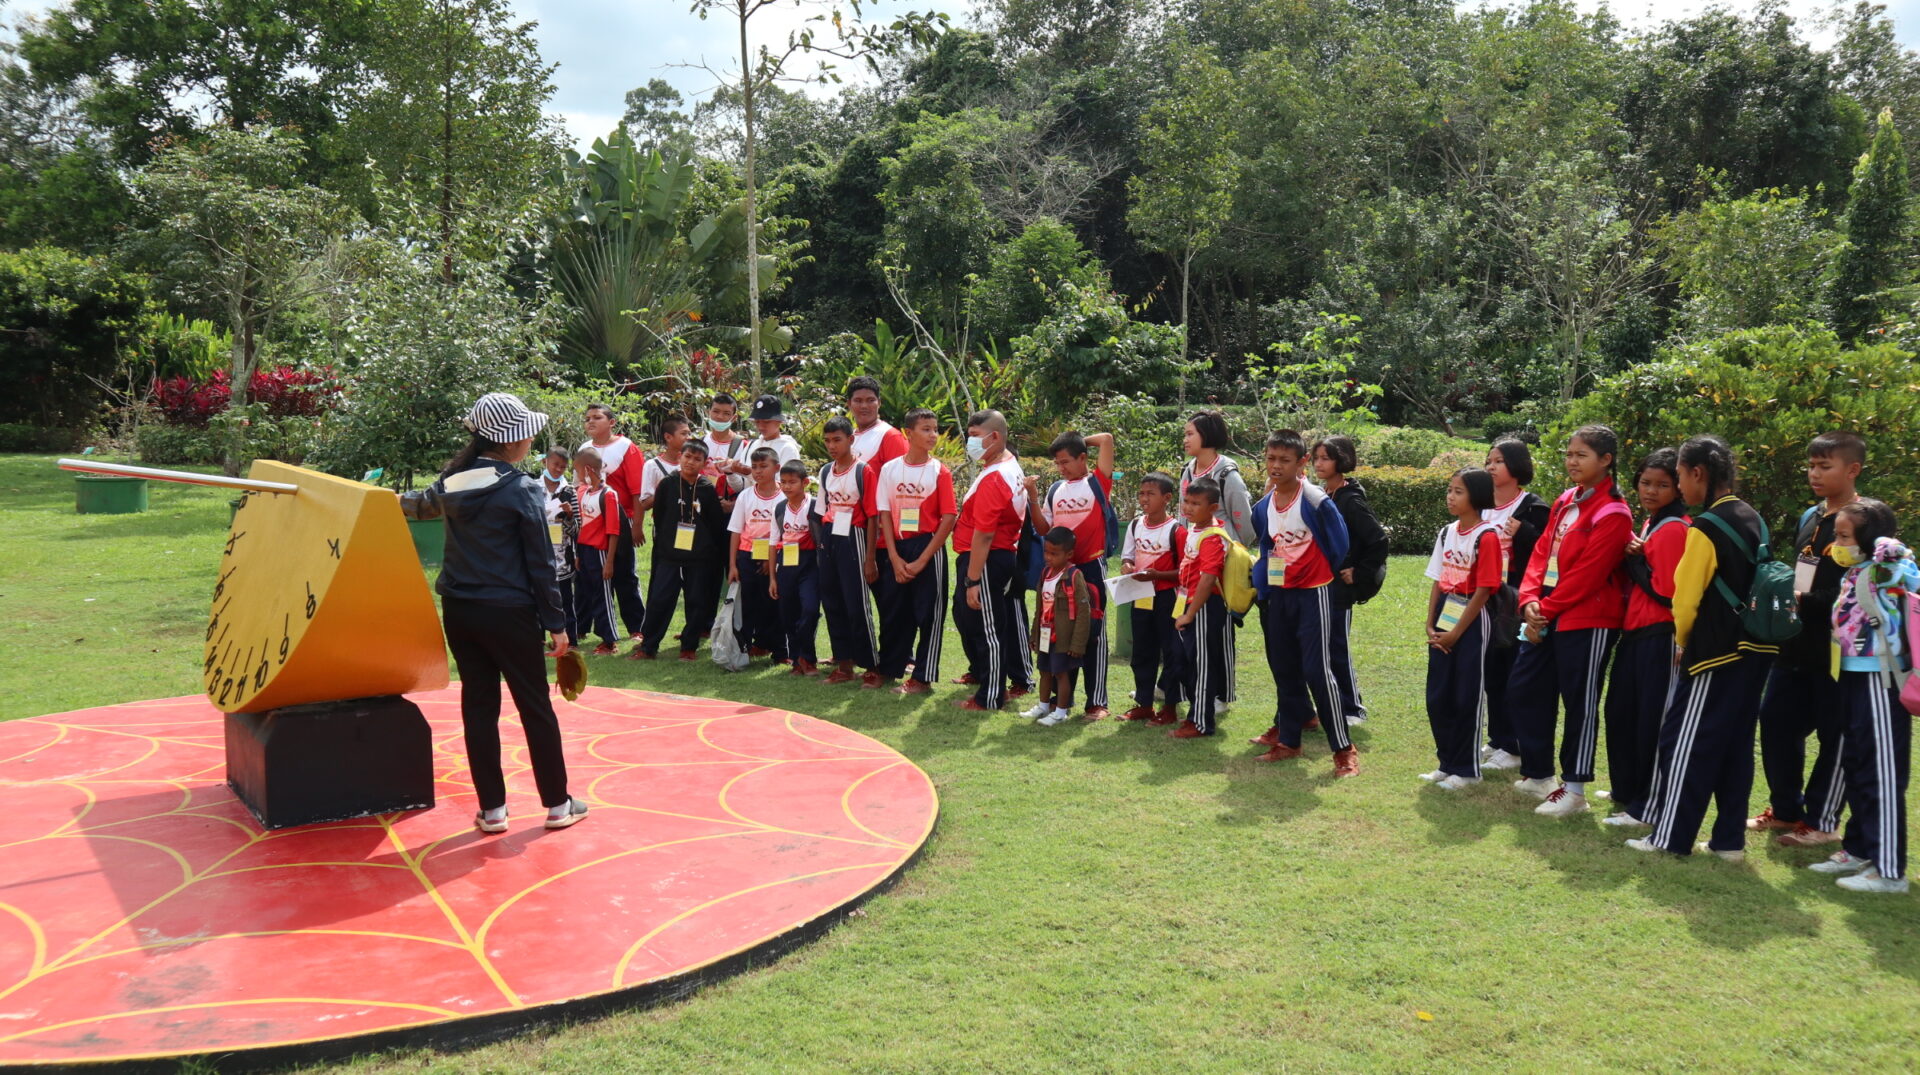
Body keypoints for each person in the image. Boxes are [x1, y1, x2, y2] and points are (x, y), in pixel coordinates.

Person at [398, 392, 587, 834]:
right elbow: (541, 565)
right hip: (510, 614)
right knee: (534, 706)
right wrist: (557, 626)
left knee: (478, 707)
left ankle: (493, 809)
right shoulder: (521, 489)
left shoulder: (450, 482)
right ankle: (558, 805)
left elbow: (413, 503)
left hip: (461, 611)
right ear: (512, 439)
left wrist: (371, 495)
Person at [1629, 435, 1779, 860]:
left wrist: (1681, 643)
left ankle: (1669, 839)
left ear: (1697, 474)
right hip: (1757, 650)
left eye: (1678, 475)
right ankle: (1728, 841)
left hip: (1714, 654)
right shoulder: (1753, 517)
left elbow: (1685, 598)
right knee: (1734, 745)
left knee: (1683, 742)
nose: (1679, 485)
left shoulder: (1706, 526)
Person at [1750, 432, 1868, 846]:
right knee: (1776, 723)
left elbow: (1868, 586)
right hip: (1794, 641)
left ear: (1852, 470)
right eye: (1812, 466)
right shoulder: (1809, 516)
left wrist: (1807, 601)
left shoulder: (1868, 519)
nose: (1814, 474)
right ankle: (1785, 811)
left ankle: (1822, 822)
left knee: (1835, 737)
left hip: (1840, 651)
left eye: (1825, 467)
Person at [1509, 425, 1632, 817]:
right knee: (1525, 686)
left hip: (1589, 618)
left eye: (1582, 455)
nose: (1572, 461)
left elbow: (1589, 574)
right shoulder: (1566, 499)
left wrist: (1545, 608)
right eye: (1569, 454)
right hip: (1548, 608)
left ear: (1606, 460)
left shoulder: (1614, 512)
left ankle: (1575, 789)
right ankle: (1539, 772)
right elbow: (1543, 551)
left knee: (1579, 701)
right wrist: (1528, 598)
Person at [1806, 500, 1916, 892]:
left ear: (1872, 540)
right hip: (1851, 676)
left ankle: (1889, 871)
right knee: (1856, 763)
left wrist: (1893, 550)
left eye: (1844, 536)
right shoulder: (1857, 571)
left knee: (1880, 772)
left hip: (1881, 680)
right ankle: (1859, 849)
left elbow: (1907, 574)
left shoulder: (1890, 569)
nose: (1837, 543)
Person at [1249, 430, 1357, 778]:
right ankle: (1289, 741)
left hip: (1315, 593)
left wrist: (1317, 572)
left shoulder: (1314, 501)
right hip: (1280, 595)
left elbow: (1338, 545)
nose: (1276, 466)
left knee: (1317, 670)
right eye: (1271, 459)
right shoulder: (1264, 506)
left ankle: (1343, 749)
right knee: (1284, 668)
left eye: (1284, 460)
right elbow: (1268, 545)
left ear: (1302, 463)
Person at [1601, 449, 1687, 830]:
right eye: (1645, 483)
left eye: (1662, 485)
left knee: (1650, 721)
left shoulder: (1672, 527)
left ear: (1679, 487)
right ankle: (1626, 791)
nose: (1650, 491)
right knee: (1621, 713)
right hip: (1635, 633)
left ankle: (1647, 805)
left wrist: (1635, 560)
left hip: (1659, 635)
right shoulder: (1653, 522)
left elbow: (1666, 592)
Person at [1420, 467, 1503, 790]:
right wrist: (1430, 622)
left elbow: (1484, 590)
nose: (1450, 497)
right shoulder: (1446, 532)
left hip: (1472, 616)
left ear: (1477, 497)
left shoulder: (1487, 536)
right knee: (1438, 694)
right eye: (1450, 490)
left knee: (1465, 693)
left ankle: (1466, 769)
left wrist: (1456, 632)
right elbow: (1438, 581)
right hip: (1445, 612)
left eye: (1459, 492)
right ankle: (1446, 762)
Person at [1026, 431, 1117, 720]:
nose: (1062, 467)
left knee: (1093, 633)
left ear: (1083, 459)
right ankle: (1059, 701)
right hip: (1059, 572)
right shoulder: (1056, 489)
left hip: (1090, 567)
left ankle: (1096, 701)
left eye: (1067, 461)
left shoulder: (1098, 483)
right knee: (1057, 633)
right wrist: (1032, 498)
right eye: (1057, 463)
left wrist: (1079, 439)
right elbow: (1044, 530)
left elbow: (1106, 439)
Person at [873, 408, 958, 695]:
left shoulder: (940, 472)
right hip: (897, 546)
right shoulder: (890, 469)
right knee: (894, 611)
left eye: (935, 428)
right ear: (908, 433)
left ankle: (922, 677)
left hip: (928, 547)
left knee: (928, 615)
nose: (933, 434)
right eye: (926, 429)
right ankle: (889, 669)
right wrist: (894, 557)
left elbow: (948, 518)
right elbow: (884, 513)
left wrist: (923, 559)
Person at [952, 409, 1030, 712]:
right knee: (986, 625)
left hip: (986, 560)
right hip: (991, 557)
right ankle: (991, 687)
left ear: (994, 437)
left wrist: (972, 579)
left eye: (974, 436)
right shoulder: (1004, 467)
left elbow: (983, 535)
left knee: (988, 630)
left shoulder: (997, 476)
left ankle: (991, 695)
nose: (969, 443)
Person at [1480, 438, 1550, 771]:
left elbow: (1548, 553)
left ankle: (1515, 744)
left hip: (1516, 600)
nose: (1491, 467)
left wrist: (1523, 532)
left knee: (1513, 671)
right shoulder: (1479, 504)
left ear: (1516, 466)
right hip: (1482, 598)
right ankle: (1498, 739)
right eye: (1489, 461)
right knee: (1491, 670)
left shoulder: (1533, 507)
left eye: (1498, 461)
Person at [1179, 411, 1255, 710]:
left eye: (1190, 434)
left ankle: (1222, 695)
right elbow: (1184, 514)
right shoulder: (1189, 470)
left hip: (1220, 564)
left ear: (1207, 437)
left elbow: (1245, 524)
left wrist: (1229, 552)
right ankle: (1194, 687)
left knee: (1219, 632)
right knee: (1195, 629)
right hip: (1193, 561)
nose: (1185, 439)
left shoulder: (1227, 475)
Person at [1313, 434, 1388, 727]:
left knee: (1337, 646)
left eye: (1326, 458)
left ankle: (1353, 708)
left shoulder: (1350, 500)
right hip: (1321, 584)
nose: (1319, 463)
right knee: (1322, 647)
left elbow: (1378, 540)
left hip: (1340, 590)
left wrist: (1359, 570)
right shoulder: (1324, 493)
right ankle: (1333, 706)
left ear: (1341, 460)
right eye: (1317, 457)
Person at [631, 440, 726, 661]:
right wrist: (665, 545)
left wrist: (709, 550)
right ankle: (648, 647)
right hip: (669, 555)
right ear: (680, 457)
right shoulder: (667, 484)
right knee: (660, 599)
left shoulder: (706, 488)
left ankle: (689, 647)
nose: (690, 462)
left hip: (700, 557)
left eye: (696, 459)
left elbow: (715, 523)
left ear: (704, 463)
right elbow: (661, 516)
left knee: (696, 599)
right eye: (687, 456)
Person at [816, 417, 882, 685]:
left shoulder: (863, 471)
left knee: (857, 604)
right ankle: (844, 664)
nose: (832, 446)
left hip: (854, 538)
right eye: (827, 441)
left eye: (837, 440)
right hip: (830, 538)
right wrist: (821, 546)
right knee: (832, 602)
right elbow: (821, 511)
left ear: (851, 439)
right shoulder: (824, 472)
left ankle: (872, 666)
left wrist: (870, 559)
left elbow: (873, 517)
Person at [1122, 472, 1186, 725]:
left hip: (1166, 598)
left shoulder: (1176, 530)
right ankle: (1144, 704)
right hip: (1141, 597)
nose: (1144, 498)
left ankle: (1170, 707)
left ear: (1167, 498)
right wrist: (1127, 566)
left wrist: (1157, 574)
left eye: (1150, 494)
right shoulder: (1136, 524)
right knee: (1142, 650)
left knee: (1171, 651)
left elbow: (1185, 571)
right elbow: (1128, 555)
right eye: (1141, 493)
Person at [580, 403, 646, 639]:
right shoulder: (584, 448)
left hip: (622, 519)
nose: (590, 422)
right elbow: (580, 486)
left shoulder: (626, 447)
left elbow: (637, 491)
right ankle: (587, 626)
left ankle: (636, 627)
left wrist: (637, 525)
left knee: (624, 574)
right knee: (591, 574)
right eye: (587, 418)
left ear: (611, 423)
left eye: (597, 417)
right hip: (592, 522)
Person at [1170, 478, 1230, 738]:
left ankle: (1201, 723)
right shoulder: (1195, 529)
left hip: (1204, 607)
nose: (1189, 508)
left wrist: (1191, 612)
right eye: (1187, 501)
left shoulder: (1212, 537)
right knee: (1190, 662)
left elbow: (1208, 578)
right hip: (1190, 604)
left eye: (1196, 503)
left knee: (1202, 665)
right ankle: (1195, 715)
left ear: (1213, 507)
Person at [1024, 527, 1097, 727]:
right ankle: (1043, 705)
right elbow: (1039, 608)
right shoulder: (1045, 573)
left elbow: (1084, 612)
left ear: (1069, 554)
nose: (1048, 557)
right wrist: (1034, 635)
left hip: (1063, 638)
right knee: (1044, 671)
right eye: (1046, 552)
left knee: (1061, 674)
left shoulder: (1074, 576)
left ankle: (1061, 712)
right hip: (1045, 634)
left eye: (1054, 553)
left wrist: (1078, 643)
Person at [725, 446, 787, 664]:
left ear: (777, 468)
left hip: (776, 557)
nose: (758, 471)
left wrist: (772, 559)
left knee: (775, 601)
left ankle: (780, 651)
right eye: (754, 467)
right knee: (749, 604)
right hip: (747, 556)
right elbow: (735, 530)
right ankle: (746, 648)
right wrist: (732, 565)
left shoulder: (785, 497)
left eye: (764, 466)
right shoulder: (745, 495)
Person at [769, 460, 822, 677]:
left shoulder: (815, 506)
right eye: (783, 482)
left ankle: (808, 658)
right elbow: (773, 544)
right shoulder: (779, 508)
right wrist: (773, 578)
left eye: (792, 482)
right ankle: (797, 661)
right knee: (788, 614)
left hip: (811, 565)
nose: (787, 487)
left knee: (809, 610)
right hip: (786, 565)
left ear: (806, 483)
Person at [570, 446, 623, 655]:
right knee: (587, 594)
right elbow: (579, 524)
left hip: (600, 552)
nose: (577, 475)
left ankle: (610, 641)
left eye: (578, 470)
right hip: (583, 551)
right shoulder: (582, 491)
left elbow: (613, 531)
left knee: (603, 596)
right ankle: (589, 632)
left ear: (589, 469)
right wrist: (576, 554)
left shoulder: (609, 495)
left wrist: (609, 561)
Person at [538, 448, 580, 646]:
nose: (558, 469)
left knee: (564, 600)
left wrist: (569, 516)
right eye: (555, 464)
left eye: (563, 467)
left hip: (562, 557)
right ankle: (536, 639)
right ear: (545, 462)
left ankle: (569, 639)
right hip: (536, 554)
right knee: (536, 599)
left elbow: (577, 530)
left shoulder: (569, 491)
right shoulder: (531, 488)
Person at [847, 375, 909, 469]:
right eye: (858, 401)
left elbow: (903, 477)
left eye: (870, 400)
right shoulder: (848, 437)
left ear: (879, 403)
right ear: (849, 404)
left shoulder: (891, 436)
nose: (864, 406)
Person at [744, 394, 802, 468]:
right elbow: (741, 479)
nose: (761, 426)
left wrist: (749, 473)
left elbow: (787, 478)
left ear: (779, 422)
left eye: (766, 422)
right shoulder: (751, 445)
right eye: (757, 422)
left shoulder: (787, 449)